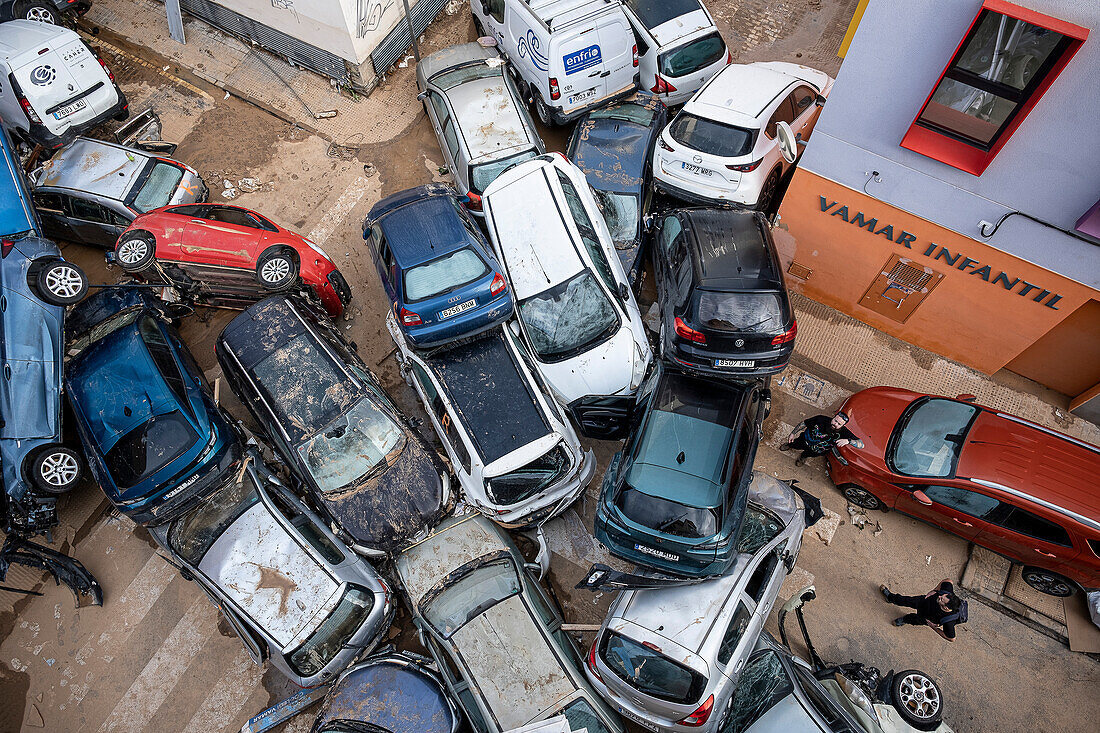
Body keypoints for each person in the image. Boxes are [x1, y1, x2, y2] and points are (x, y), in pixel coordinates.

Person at [879, 580, 962, 642]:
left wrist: (933, 627)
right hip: (923, 601)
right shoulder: (947, 592)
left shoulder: (949, 621)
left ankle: (904, 620)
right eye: (942, 595)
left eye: (941, 599)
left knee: (914, 619)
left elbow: (952, 638)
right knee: (905, 600)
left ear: (946, 608)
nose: (939, 596)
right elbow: (948, 580)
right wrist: (934, 590)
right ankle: (890, 597)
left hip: (926, 618)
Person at [779, 411, 863, 467]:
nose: (835, 424)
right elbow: (804, 423)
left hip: (817, 450)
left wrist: (848, 441)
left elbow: (861, 444)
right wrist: (793, 433)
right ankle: (789, 445)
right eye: (835, 420)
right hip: (804, 440)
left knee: (808, 454)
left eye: (839, 424)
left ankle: (802, 457)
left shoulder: (844, 432)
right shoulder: (821, 419)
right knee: (795, 444)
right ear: (834, 417)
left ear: (843, 425)